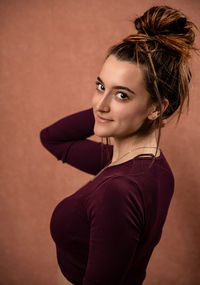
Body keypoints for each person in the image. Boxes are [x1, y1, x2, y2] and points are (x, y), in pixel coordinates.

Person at [40, 5, 197, 285]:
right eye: (101, 86)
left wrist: (107, 114)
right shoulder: (150, 165)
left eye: (122, 95)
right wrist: (111, 109)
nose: (100, 105)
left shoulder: (118, 189)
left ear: (156, 108)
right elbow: (53, 139)